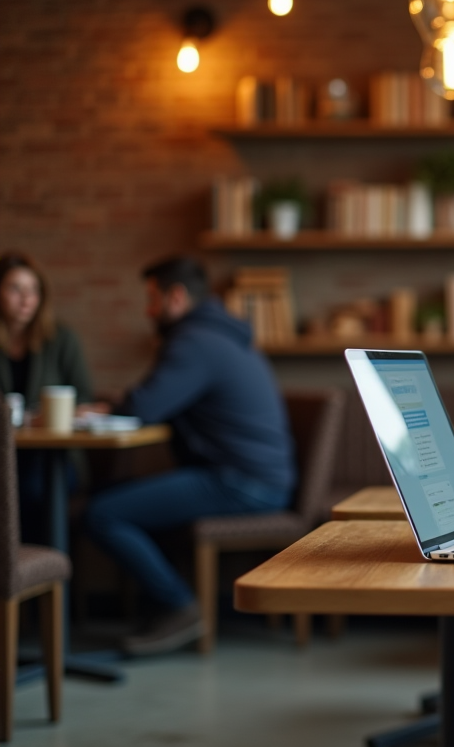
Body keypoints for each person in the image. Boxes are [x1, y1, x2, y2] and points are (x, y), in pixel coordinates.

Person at [84, 256, 295, 656]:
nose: (147, 311)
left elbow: (146, 407)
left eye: (151, 300)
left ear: (175, 297)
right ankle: (161, 606)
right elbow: (157, 398)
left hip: (243, 484)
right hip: (257, 477)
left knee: (103, 513)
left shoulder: (194, 340)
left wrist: (108, 406)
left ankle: (181, 608)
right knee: (117, 495)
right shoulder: (220, 335)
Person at [0, 251, 98, 544]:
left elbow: (85, 401)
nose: (26, 299)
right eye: (15, 289)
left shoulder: (61, 339)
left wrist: (49, 417)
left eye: (33, 290)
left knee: (30, 489)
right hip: (6, 456)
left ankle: (39, 580)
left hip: (54, 458)